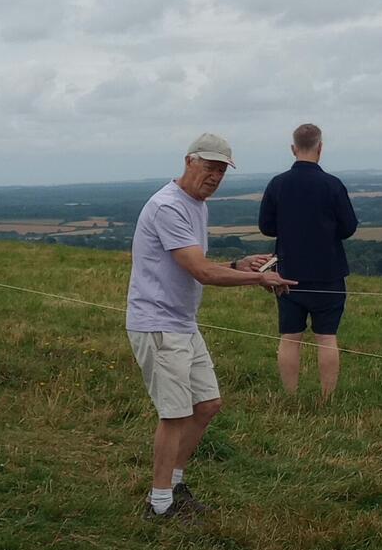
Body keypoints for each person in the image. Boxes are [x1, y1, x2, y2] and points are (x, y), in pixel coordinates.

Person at [126, 133, 297, 519]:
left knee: (206, 405)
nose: (215, 176)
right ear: (189, 161)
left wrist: (238, 266)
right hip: (157, 323)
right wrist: (258, 278)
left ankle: (174, 484)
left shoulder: (197, 205)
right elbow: (201, 272)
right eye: (210, 167)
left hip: (182, 322)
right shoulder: (168, 207)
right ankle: (159, 504)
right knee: (174, 414)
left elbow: (194, 264)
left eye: (222, 170)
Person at [258, 123, 358, 401]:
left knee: (290, 336)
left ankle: (291, 396)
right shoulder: (332, 184)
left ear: (293, 149)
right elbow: (348, 227)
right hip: (328, 273)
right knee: (326, 337)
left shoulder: (277, 184)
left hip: (288, 273)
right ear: (320, 148)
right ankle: (327, 399)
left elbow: (266, 226)